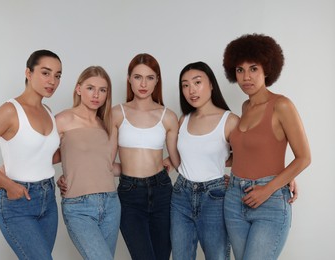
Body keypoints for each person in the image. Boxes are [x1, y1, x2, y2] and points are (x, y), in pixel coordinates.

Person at [0, 49, 62, 259]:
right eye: (45, 73)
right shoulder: (10, 110)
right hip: (18, 204)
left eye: (57, 75)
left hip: (49, 200)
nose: (52, 80)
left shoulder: (49, 112)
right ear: (28, 72)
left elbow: (45, 155)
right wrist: (9, 184)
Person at [222, 33, 311, 260]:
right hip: (234, 199)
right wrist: (231, 177)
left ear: (267, 69)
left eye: (253, 68)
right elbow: (249, 151)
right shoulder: (245, 107)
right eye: (240, 70)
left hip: (269, 202)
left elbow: (304, 157)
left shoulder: (281, 105)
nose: (246, 77)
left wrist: (269, 187)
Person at [112, 53, 181, 260]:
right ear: (129, 79)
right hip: (129, 193)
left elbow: (178, 158)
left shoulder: (168, 116)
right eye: (137, 77)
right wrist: (73, 176)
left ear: (157, 80)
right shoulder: (117, 113)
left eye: (150, 77)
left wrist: (167, 162)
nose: (143, 83)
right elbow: (106, 162)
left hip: (162, 191)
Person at [169, 61, 239, 260]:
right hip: (181, 194)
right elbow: (188, 155)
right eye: (185, 85)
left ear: (211, 85)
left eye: (197, 82)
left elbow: (251, 155)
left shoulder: (230, 120)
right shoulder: (184, 119)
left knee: (217, 256)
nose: (191, 90)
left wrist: (283, 177)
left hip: (214, 197)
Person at [55, 66, 121, 260]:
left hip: (111, 203)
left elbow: (108, 165)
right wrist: (8, 169)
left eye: (103, 90)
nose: (96, 95)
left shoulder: (106, 124)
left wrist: (151, 167)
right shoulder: (63, 119)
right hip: (78, 206)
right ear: (78, 89)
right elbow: (41, 154)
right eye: (90, 88)